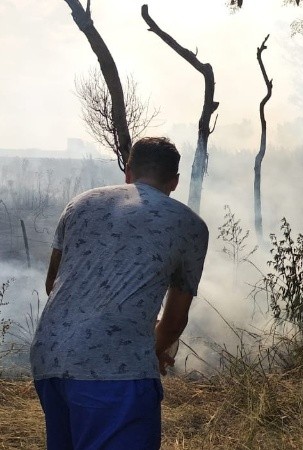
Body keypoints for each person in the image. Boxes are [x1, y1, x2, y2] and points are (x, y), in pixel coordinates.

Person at [30, 137, 209, 449]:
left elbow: (52, 285)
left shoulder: (80, 203)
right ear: (175, 181)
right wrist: (153, 350)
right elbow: (174, 321)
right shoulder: (189, 224)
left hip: (50, 357)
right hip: (115, 373)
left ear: (128, 171)